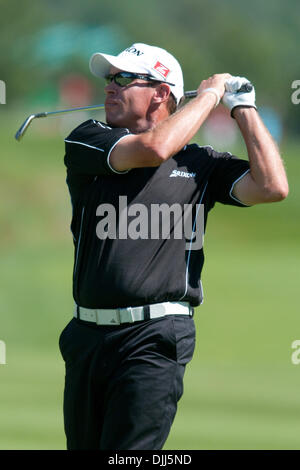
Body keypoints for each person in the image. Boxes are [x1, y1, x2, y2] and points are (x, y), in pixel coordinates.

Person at [59, 43, 288, 450]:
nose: (110, 87)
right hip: (86, 337)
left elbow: (272, 187)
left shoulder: (202, 164)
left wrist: (242, 108)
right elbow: (154, 149)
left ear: (162, 93)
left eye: (124, 78)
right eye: (110, 78)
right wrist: (211, 96)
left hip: (155, 338)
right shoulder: (88, 140)